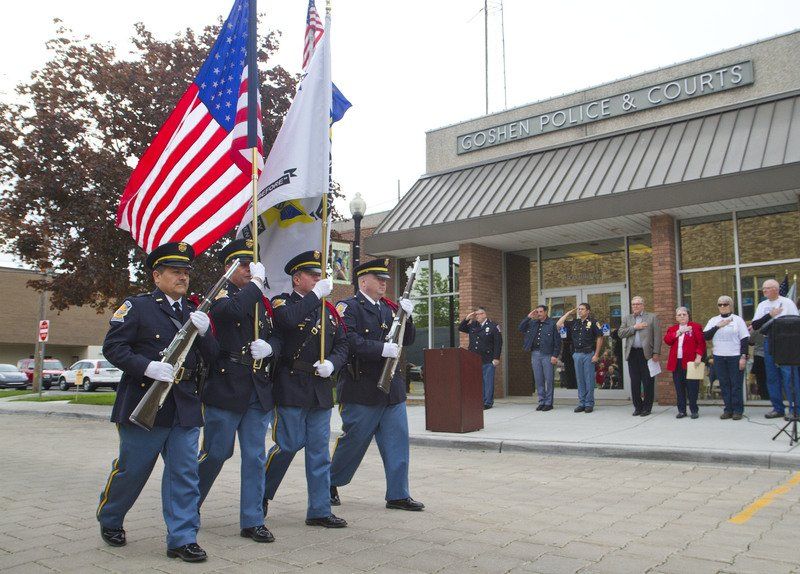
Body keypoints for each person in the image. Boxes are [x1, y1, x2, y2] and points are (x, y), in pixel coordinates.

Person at [97, 242, 219, 563]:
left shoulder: (194, 313)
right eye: (176, 272)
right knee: (132, 471)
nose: (183, 277)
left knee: (185, 473)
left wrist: (206, 334)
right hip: (145, 402)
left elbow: (212, 358)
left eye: (186, 272)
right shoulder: (137, 307)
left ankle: (182, 537)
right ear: (157, 275)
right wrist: (147, 366)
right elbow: (113, 347)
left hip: (185, 404)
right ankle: (111, 517)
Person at [197, 239, 281, 543]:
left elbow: (277, 336)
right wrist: (257, 284)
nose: (249, 269)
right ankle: (189, 504)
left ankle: (252, 519)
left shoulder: (262, 301)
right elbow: (230, 312)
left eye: (252, 265)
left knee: (255, 457)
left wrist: (271, 348)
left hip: (257, 388)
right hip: (226, 383)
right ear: (229, 266)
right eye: (243, 265)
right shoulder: (220, 294)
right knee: (217, 453)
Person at [262, 250, 349, 528]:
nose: (318, 279)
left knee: (319, 453)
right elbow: (286, 322)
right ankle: (260, 492)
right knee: (288, 445)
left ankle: (320, 510)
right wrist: (315, 296)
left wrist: (333, 364)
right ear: (297, 278)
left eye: (319, 276)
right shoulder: (282, 302)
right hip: (291, 384)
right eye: (312, 276)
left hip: (320, 388)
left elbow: (343, 345)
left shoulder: (329, 311)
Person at [329, 259, 424, 511]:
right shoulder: (347, 308)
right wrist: (381, 348)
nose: (384, 283)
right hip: (361, 387)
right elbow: (347, 341)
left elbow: (409, 339)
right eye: (378, 278)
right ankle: (329, 482)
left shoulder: (390, 308)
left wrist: (408, 317)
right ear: (363, 281)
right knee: (354, 441)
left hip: (391, 388)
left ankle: (398, 494)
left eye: (385, 280)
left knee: (398, 441)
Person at [750, 279, 800, 419]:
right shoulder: (762, 305)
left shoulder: (788, 302)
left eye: (767, 288)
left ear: (776, 289)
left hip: (786, 343)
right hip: (769, 341)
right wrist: (770, 315)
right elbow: (755, 325)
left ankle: (795, 409)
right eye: (763, 288)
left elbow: (796, 323)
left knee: (789, 375)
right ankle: (777, 408)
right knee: (772, 376)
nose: (764, 290)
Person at [703, 296, 749, 420]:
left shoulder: (738, 320)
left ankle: (737, 410)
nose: (722, 306)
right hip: (719, 357)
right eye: (720, 304)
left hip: (735, 356)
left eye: (725, 304)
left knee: (736, 384)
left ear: (731, 305)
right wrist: (718, 326)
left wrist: (743, 357)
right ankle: (728, 409)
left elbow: (744, 339)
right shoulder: (714, 320)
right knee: (724, 384)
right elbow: (706, 336)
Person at [617, 296, 662, 417]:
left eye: (638, 304)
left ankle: (647, 408)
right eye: (633, 304)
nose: (635, 306)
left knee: (648, 381)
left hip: (647, 354)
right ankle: (638, 407)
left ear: (643, 305)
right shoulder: (627, 318)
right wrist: (634, 328)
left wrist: (656, 352)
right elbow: (620, 333)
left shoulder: (652, 317)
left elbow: (657, 336)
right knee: (635, 381)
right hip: (632, 353)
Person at [556, 303, 604, 413]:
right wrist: (568, 314)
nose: (580, 311)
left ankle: (589, 403)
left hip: (588, 354)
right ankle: (581, 403)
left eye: (582, 309)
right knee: (580, 379)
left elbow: (600, 338)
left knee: (589, 379)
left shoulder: (594, 322)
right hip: (577, 354)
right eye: (579, 309)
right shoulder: (574, 323)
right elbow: (558, 324)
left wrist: (596, 354)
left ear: (588, 311)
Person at [663, 307, 706, 419]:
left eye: (684, 314)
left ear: (688, 315)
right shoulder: (673, 329)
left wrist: (699, 356)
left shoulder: (695, 327)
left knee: (692, 387)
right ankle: (681, 410)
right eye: (679, 315)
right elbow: (667, 340)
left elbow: (701, 343)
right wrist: (678, 332)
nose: (682, 316)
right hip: (676, 362)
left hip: (691, 362)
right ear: (676, 317)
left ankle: (694, 410)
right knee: (679, 388)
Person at [459, 307, 503, 409]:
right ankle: (480, 400)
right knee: (478, 381)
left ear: (484, 315)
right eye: (476, 314)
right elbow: (461, 328)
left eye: (478, 314)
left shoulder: (493, 326)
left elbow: (498, 343)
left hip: (488, 358)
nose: (476, 316)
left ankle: (488, 402)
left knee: (488, 382)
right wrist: (467, 318)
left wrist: (496, 358)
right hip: (474, 358)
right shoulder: (473, 325)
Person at [519, 305, 561, 411]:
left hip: (547, 354)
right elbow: (521, 328)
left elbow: (557, 342)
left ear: (546, 312)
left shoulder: (552, 324)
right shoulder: (533, 323)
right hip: (535, 354)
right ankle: (542, 401)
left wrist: (555, 355)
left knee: (549, 379)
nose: (538, 314)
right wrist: (528, 317)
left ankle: (549, 403)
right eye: (537, 312)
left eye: (541, 311)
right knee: (538, 379)